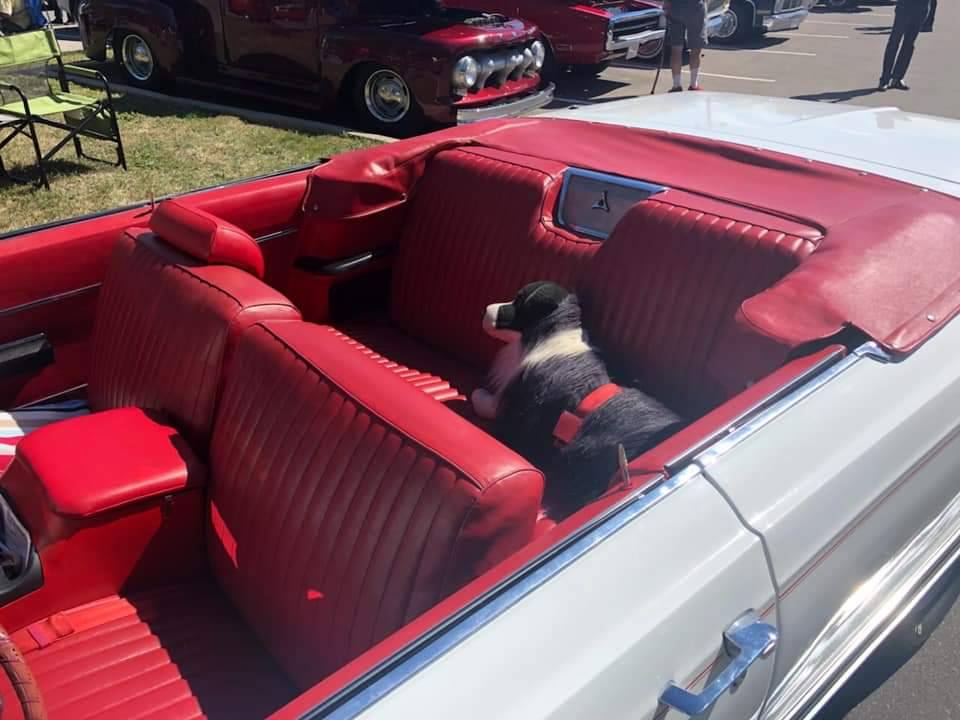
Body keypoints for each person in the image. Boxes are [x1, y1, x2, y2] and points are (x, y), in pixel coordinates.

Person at [879, 0, 931, 91]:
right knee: (894, 42)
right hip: (905, 6)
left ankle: (897, 78)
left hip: (922, 7)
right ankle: (884, 79)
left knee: (909, 44)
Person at [663, 0, 708, 92]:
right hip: (695, 8)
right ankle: (693, 84)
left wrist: (666, 4)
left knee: (676, 48)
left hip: (676, 7)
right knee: (695, 48)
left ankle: (676, 85)